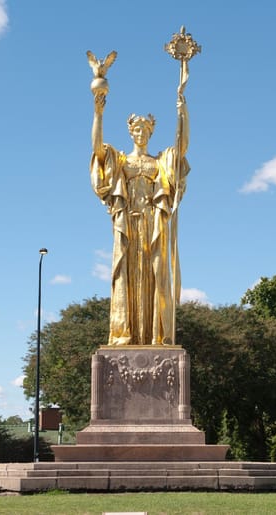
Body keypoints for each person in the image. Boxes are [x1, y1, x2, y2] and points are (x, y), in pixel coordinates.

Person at [89, 55, 190, 346]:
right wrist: (98, 112)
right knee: (127, 277)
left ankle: (156, 336)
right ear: (130, 132)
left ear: (151, 133)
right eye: (136, 130)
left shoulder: (160, 161)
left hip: (153, 225)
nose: (141, 134)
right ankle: (125, 334)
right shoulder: (119, 160)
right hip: (129, 225)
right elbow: (97, 150)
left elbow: (181, 147)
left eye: (146, 131)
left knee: (156, 278)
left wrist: (182, 108)